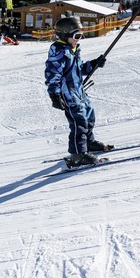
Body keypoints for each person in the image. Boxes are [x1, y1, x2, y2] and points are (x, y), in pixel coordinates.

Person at [44, 16, 111, 168]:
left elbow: (79, 70)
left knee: (89, 115)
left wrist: (94, 64)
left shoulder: (72, 50)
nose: (79, 39)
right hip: (68, 94)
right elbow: (52, 75)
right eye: (77, 36)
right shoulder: (59, 53)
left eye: (81, 35)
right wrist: (54, 94)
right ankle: (77, 155)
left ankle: (88, 143)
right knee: (78, 123)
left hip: (79, 91)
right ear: (64, 36)